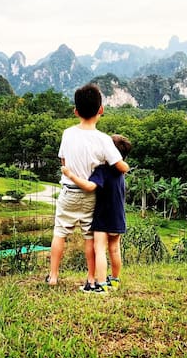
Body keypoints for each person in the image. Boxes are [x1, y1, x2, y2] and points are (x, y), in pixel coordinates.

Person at [46, 84, 129, 287]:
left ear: (75, 111)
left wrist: (71, 173)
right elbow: (120, 166)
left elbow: (63, 162)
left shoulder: (67, 133)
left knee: (59, 233)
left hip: (68, 193)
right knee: (90, 238)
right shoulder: (103, 139)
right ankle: (91, 278)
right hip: (90, 196)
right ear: (101, 109)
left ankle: (53, 276)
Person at [61, 134, 132, 293]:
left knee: (99, 248)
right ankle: (114, 280)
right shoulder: (120, 171)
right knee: (115, 249)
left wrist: (70, 175)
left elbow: (90, 186)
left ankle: (100, 284)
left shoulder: (102, 170)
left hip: (103, 216)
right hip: (118, 216)